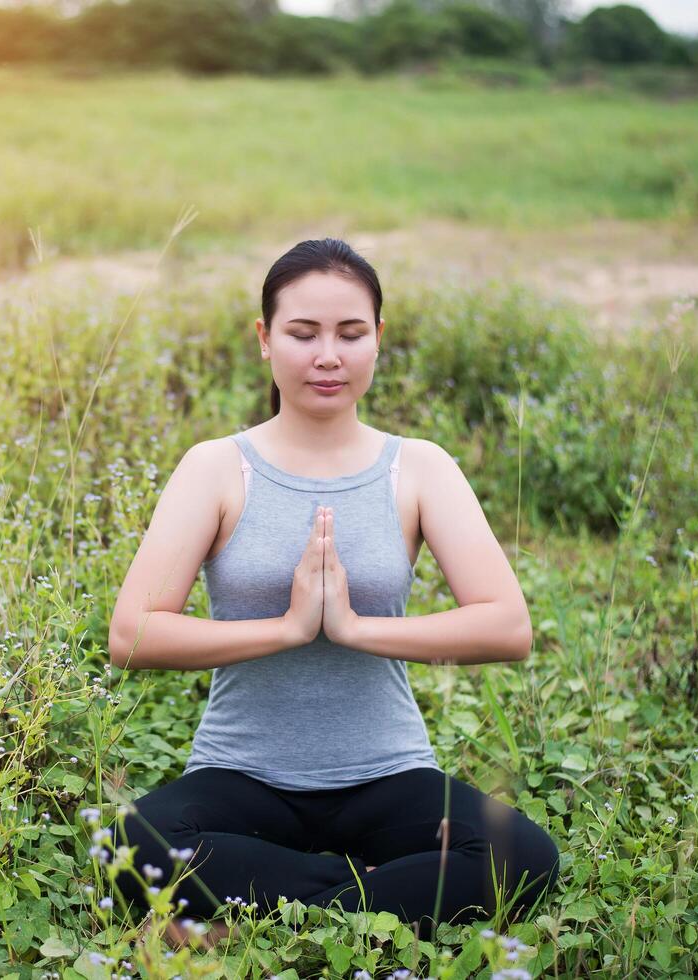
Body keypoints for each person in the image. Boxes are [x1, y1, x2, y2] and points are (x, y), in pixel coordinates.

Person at [98, 238, 561, 950]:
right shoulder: (217, 469)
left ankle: (258, 915)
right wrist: (285, 628)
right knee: (134, 844)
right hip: (241, 775)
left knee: (523, 859)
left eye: (350, 334)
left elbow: (507, 628)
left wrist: (350, 627)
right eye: (302, 333)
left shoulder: (418, 469)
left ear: (378, 338)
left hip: (385, 773)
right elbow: (132, 635)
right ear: (264, 339)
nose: (327, 356)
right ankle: (373, 896)